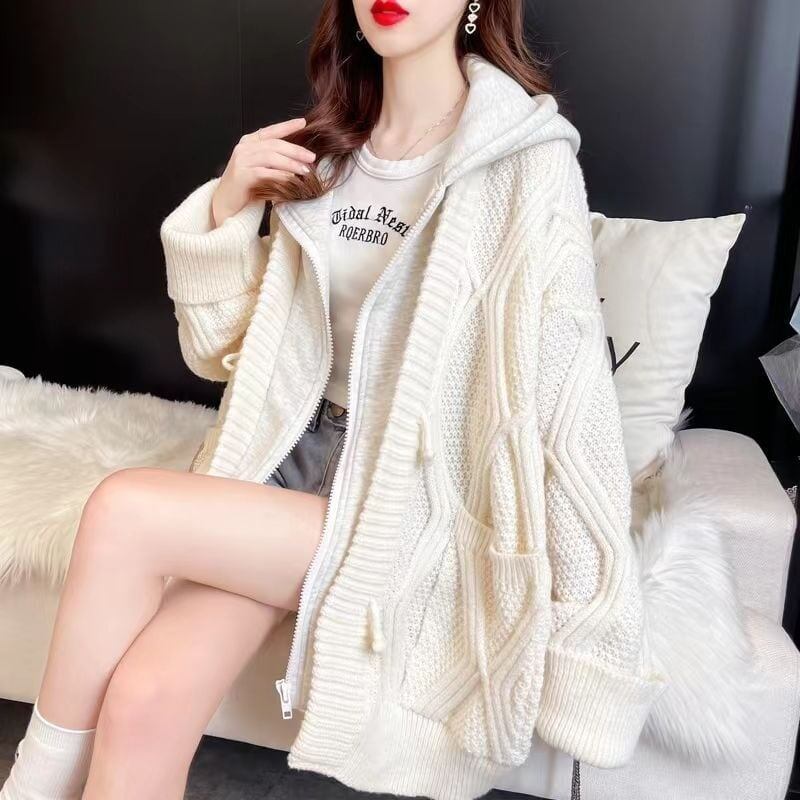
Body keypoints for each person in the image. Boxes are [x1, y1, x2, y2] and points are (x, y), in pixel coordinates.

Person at [2, 1, 666, 799]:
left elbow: (568, 402)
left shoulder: (524, 163)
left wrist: (593, 632)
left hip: (407, 500)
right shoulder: (326, 153)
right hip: (286, 462)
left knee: (124, 509)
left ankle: (27, 788)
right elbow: (222, 355)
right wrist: (228, 210)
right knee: (146, 699)